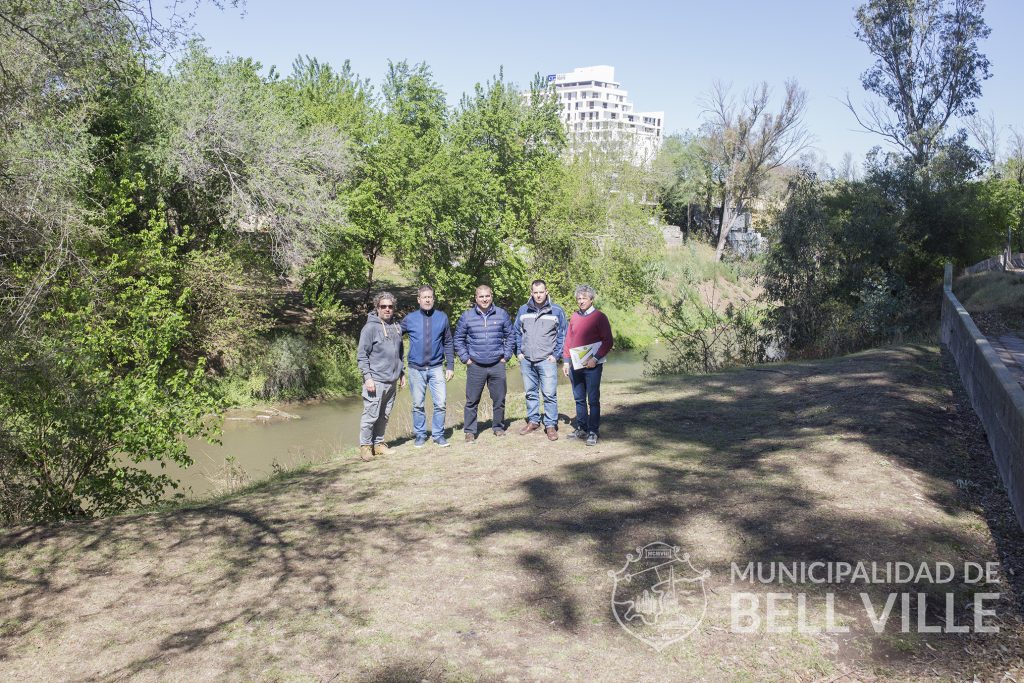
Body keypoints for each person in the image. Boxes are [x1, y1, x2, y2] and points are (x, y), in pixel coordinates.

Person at [454, 285, 514, 443]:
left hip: (497, 364)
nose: (485, 299)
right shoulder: (467, 316)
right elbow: (458, 339)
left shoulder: (501, 314)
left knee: (499, 399)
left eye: (487, 296)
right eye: (481, 296)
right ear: (476, 298)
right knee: (472, 400)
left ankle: (498, 427)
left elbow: (510, 336)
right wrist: (466, 358)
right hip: (475, 365)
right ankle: (470, 431)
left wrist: (506, 356)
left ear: (492, 296)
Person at [400, 285, 455, 448]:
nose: (427, 299)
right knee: (418, 405)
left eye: (430, 297)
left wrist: (450, 365)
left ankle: (438, 435)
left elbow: (448, 342)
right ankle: (420, 435)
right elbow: (395, 337)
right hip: (415, 369)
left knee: (440, 403)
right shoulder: (409, 319)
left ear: (433, 298)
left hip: (436, 368)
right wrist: (399, 367)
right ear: (418, 300)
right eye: (424, 297)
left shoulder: (442, 317)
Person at [513, 280, 568, 441]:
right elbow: (517, 331)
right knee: (530, 393)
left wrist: (556, 355)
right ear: (531, 293)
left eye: (541, 292)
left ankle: (550, 425)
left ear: (546, 292)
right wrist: (519, 352)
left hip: (547, 360)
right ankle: (534, 421)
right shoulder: (523, 310)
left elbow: (563, 335)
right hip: (527, 360)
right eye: (535, 292)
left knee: (549, 394)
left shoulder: (556, 310)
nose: (538, 295)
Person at [562, 284, 613, 446]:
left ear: (591, 299)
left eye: (584, 298)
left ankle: (593, 431)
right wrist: (565, 361)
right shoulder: (575, 317)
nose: (581, 301)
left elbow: (608, 341)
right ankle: (582, 428)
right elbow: (568, 340)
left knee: (593, 399)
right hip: (575, 366)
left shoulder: (600, 317)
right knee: (579, 399)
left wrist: (596, 358)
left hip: (593, 366)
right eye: (578, 298)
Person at [356, 291, 405, 460]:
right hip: (375, 380)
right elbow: (362, 355)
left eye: (390, 307)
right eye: (383, 306)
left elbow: (399, 353)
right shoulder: (370, 328)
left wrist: (402, 372)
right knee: (371, 415)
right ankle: (365, 447)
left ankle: (378, 444)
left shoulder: (396, 327)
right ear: (377, 308)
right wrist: (367, 378)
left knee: (384, 415)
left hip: (391, 380)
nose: (387, 309)